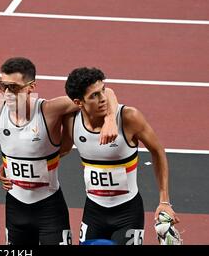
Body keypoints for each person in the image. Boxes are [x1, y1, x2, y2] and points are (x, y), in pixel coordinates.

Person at [0, 58, 119, 245]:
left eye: (13, 88)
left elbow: (106, 91)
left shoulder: (50, 110)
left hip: (49, 209)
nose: (7, 94)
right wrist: (9, 165)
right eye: (3, 86)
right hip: (15, 209)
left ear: (31, 87)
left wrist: (110, 119)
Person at [60, 67, 180, 245]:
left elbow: (158, 151)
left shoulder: (129, 118)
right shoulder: (71, 121)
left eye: (102, 91)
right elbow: (60, 151)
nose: (102, 99)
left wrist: (164, 201)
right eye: (94, 96)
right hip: (93, 212)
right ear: (78, 102)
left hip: (128, 213)